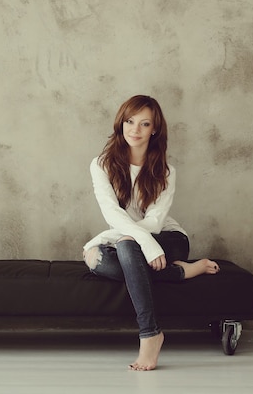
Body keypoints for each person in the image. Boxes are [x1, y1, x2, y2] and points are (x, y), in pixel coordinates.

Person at [83, 94, 220, 371]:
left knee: (121, 246)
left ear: (154, 129)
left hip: (168, 241)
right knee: (100, 259)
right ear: (121, 123)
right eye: (130, 121)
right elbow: (112, 214)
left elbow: (155, 222)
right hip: (135, 244)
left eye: (144, 124)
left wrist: (116, 239)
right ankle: (182, 272)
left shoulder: (166, 171)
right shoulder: (101, 165)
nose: (135, 130)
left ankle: (150, 334)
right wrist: (130, 240)